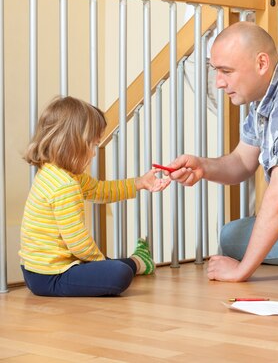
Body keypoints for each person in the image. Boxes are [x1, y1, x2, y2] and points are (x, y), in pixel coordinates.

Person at [169, 21, 278, 282]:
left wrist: (240, 272)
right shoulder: (270, 92)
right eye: (215, 70)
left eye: (226, 71)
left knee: (232, 238)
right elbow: (241, 161)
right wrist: (202, 166)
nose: (218, 82)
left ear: (261, 63)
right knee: (232, 234)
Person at [19, 96, 170, 297]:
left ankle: (137, 261)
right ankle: (138, 262)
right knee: (118, 273)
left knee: (106, 266)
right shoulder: (64, 186)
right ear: (72, 143)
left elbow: (100, 190)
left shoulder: (53, 172)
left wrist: (140, 182)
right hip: (51, 276)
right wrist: (102, 264)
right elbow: (78, 242)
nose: (93, 154)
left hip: (34, 270)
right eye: (92, 145)